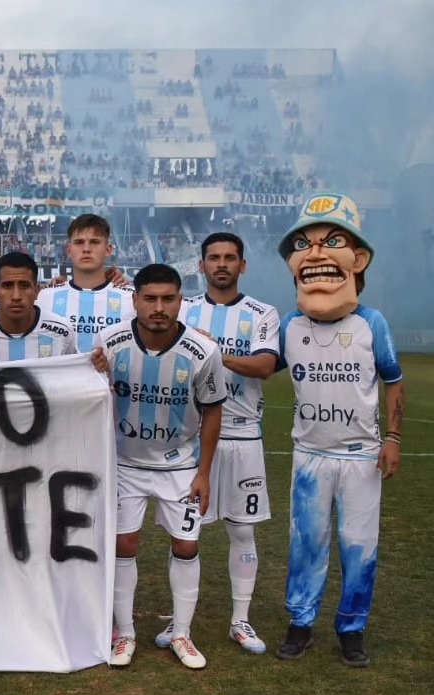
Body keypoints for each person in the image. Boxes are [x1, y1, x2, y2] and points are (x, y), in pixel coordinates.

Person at [275, 192, 404, 667]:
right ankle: (300, 623)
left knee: (359, 545)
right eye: (302, 244)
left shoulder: (372, 323)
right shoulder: (290, 324)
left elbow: (394, 381)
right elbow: (261, 364)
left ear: (359, 258)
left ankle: (352, 628)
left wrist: (393, 439)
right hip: (310, 454)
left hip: (360, 457)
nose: (314, 253)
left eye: (331, 241)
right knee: (306, 544)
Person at [92, 263, 225, 670]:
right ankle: (125, 633)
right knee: (124, 544)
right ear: (135, 300)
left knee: (186, 545)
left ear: (181, 302)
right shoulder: (110, 342)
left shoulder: (203, 352)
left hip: (180, 465)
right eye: (150, 298)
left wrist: (203, 473)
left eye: (168, 299)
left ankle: (181, 633)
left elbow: (213, 411)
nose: (159, 307)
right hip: (124, 463)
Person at [168, 233, 280, 655]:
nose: (221, 264)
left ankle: (241, 620)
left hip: (243, 436)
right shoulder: (185, 309)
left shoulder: (262, 313)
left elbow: (265, 365)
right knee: (184, 534)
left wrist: (211, 351)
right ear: (201, 265)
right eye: (213, 257)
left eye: (230, 258)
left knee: (242, 530)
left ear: (242, 265)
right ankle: (179, 622)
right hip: (190, 439)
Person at [36, 214, 135, 354]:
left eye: (94, 242)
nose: (86, 249)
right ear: (69, 250)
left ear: (108, 250)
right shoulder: (46, 298)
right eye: (79, 242)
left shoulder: (130, 299)